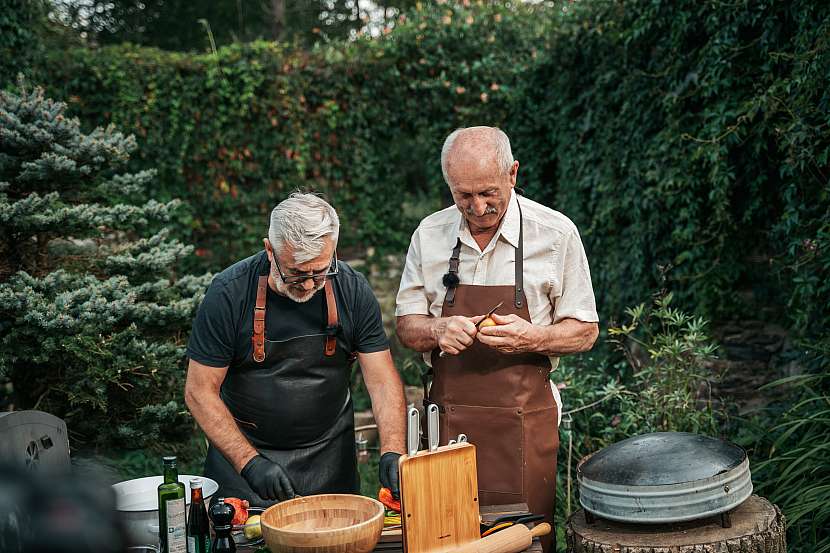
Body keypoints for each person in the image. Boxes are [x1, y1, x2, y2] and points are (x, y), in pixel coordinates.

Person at [395, 127, 599, 552]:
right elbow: (407, 326)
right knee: (446, 539)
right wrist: (437, 329)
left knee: (527, 540)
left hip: (524, 425)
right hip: (447, 427)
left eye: (488, 192)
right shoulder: (429, 234)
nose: (478, 207)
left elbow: (585, 331)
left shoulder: (555, 234)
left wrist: (534, 337)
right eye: (463, 195)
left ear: (513, 173)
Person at [185, 192, 406, 506]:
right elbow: (199, 391)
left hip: (330, 461)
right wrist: (250, 463)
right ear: (269, 250)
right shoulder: (229, 293)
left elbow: (382, 380)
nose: (307, 284)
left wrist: (392, 450)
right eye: (297, 272)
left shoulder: (352, 289)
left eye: (320, 271)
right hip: (245, 466)